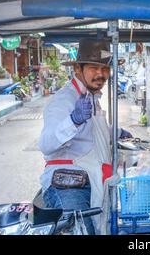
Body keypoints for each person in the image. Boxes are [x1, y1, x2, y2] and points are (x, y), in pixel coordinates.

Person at [39, 39, 132, 235]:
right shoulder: (65, 99)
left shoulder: (91, 95)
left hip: (93, 179)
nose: (101, 74)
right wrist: (74, 120)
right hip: (68, 185)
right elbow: (46, 144)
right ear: (77, 69)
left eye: (105, 68)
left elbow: (92, 133)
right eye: (93, 67)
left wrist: (115, 132)